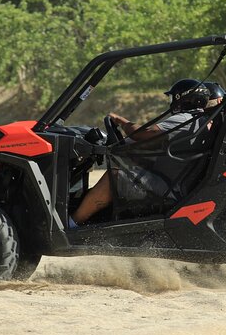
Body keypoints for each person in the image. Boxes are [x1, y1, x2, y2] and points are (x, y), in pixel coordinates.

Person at [70, 79, 210, 227]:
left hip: (168, 190)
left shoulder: (185, 120)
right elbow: (151, 143)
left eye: (172, 98)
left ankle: (71, 223)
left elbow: (143, 134)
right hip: (173, 185)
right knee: (129, 167)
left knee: (116, 176)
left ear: (181, 98)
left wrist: (120, 121)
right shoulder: (200, 122)